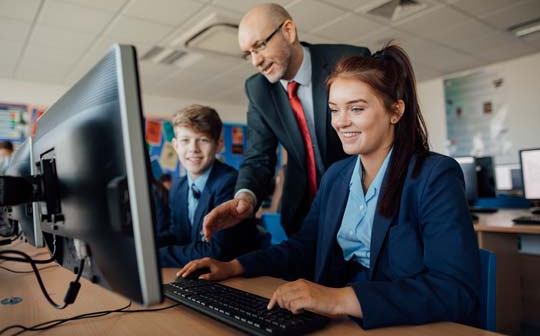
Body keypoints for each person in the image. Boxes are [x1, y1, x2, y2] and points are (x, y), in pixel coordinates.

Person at [178, 45, 481, 329]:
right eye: (334, 110)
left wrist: (338, 298)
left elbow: (455, 290)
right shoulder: (337, 176)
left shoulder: (434, 176)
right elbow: (304, 247)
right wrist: (234, 267)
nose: (340, 122)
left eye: (357, 109)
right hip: (337, 322)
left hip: (398, 323)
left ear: (395, 111)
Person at [203, 3, 370, 238]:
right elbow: (258, 156)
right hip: (303, 213)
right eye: (248, 53)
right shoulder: (258, 89)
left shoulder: (348, 61)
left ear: (289, 31)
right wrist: (245, 198)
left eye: (259, 46)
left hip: (359, 206)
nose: (255, 61)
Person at [158, 105, 261, 267]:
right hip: (195, 276)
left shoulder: (230, 182)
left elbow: (216, 251)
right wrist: (146, 244)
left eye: (203, 140)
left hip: (235, 280)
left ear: (218, 144)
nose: (193, 149)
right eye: (185, 140)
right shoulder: (178, 186)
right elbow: (177, 235)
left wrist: (156, 256)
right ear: (176, 145)